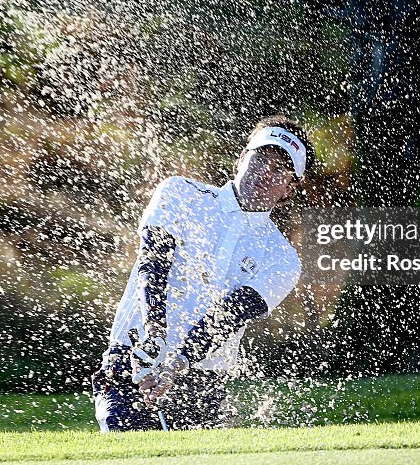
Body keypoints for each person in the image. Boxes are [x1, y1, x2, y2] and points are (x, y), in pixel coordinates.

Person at [91, 115, 312, 431]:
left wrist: (175, 364)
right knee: (127, 456)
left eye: (279, 170)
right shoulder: (180, 193)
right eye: (260, 157)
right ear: (241, 158)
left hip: (202, 378)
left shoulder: (283, 259)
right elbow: (152, 263)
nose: (265, 171)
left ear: (289, 189)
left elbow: (230, 315)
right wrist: (155, 333)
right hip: (132, 359)